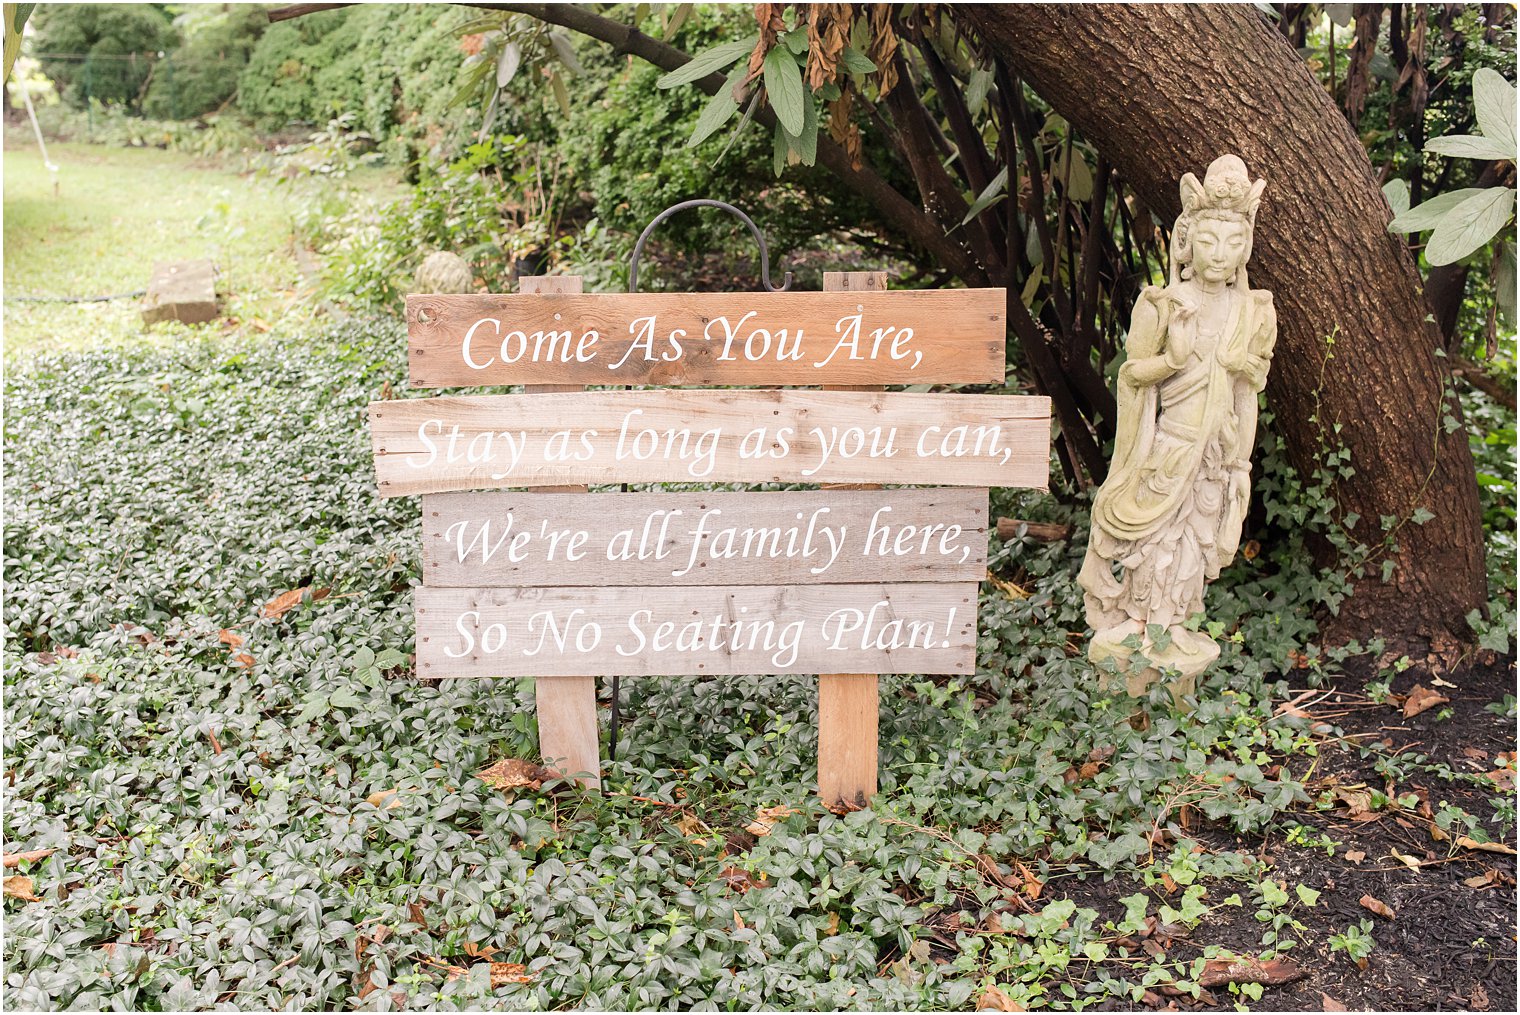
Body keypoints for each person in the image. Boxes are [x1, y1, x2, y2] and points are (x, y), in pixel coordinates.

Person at [1079, 155, 1276, 689]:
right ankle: (1139, 623)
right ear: (1187, 243)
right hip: (1167, 447)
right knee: (1155, 542)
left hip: (1215, 452)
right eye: (1208, 241)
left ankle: (1170, 624)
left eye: (1232, 243)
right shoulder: (1164, 304)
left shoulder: (1254, 311)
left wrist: (1240, 464)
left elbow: (1247, 394)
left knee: (1194, 542)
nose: (1220, 254)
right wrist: (1173, 358)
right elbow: (1131, 375)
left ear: (1245, 246)